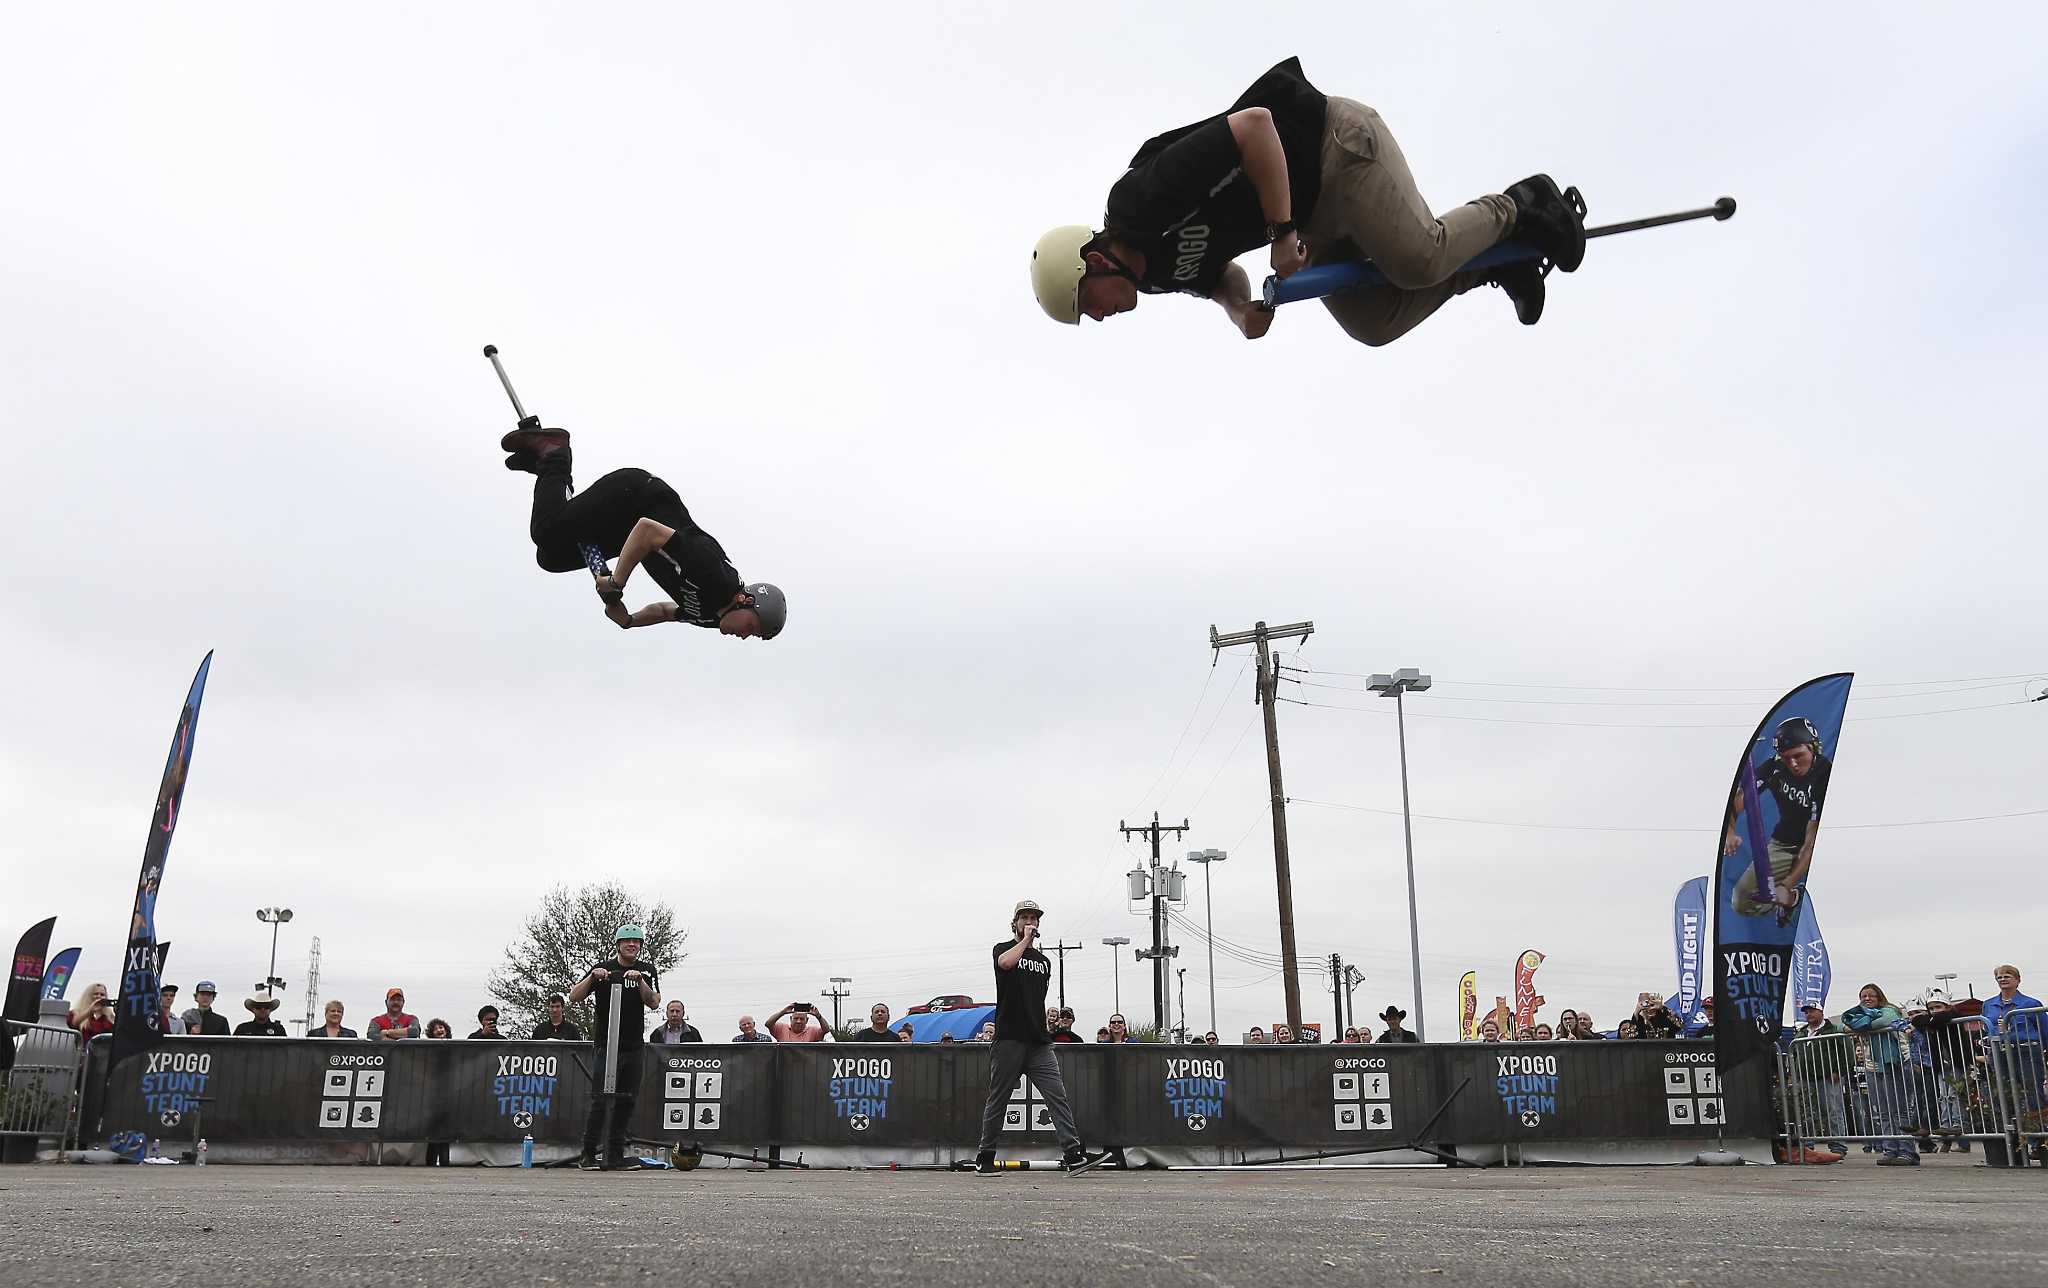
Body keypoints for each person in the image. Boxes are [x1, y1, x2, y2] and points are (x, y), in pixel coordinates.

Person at [1029, 57, 1585, 346]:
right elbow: (1216, 273)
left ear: (1095, 262)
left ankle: (1519, 205)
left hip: (1331, 147)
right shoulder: (1148, 277)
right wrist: (1238, 310)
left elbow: (1254, 127)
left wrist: (1281, 233)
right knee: (1373, 321)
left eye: (1087, 303)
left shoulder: (1138, 203)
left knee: (1416, 258)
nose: (1098, 316)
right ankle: (1502, 258)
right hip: (1310, 215)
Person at [499, 428, 786, 642]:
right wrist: (617, 581)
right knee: (547, 531)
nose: (745, 636)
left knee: (550, 557)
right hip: (634, 499)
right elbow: (649, 530)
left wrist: (631, 621)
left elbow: (664, 611)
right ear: (747, 602)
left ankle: (544, 467)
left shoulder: (712, 616)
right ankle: (554, 454)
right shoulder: (713, 572)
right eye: (752, 628)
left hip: (627, 529)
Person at [974, 900, 1106, 1176]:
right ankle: (985, 1157)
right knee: (998, 1099)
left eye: (1034, 918)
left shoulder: (1044, 962)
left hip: (1038, 1041)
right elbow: (1006, 963)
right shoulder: (1004, 949)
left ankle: (1072, 1153)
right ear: (1015, 923)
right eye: (1025, 918)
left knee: (1057, 1096)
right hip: (1009, 1038)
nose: (1030, 922)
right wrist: (1025, 940)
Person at [565, 924, 662, 1170]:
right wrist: (592, 977)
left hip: (633, 1046)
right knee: (599, 1099)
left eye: (637, 942)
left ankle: (615, 1155)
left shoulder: (646, 970)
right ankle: (587, 1154)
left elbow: (653, 1002)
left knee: (626, 1100)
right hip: (606, 1045)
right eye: (628, 941)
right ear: (618, 944)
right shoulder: (604, 968)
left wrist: (640, 981)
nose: (633, 945)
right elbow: (574, 996)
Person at [1724, 717, 1833, 920]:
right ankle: (1789, 902)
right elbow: (1739, 800)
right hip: (1783, 844)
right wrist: (1730, 831)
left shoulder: (1824, 775)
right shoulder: (1775, 766)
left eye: (1798, 756)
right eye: (1785, 757)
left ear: (1813, 748)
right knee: (1740, 900)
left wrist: (1787, 885)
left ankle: (1793, 897)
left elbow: (1810, 842)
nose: (1793, 763)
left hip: (1816, 844)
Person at [1841, 983, 1915, 1165]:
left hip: (1893, 1065)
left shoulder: (1889, 1010)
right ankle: (1890, 1150)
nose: (1867, 999)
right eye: (1863, 996)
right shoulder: (1862, 1015)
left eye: (1871, 995)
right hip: (1872, 1067)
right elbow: (1845, 1024)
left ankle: (1907, 1152)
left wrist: (1861, 1026)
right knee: (1882, 1112)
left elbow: (1885, 1021)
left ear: (1879, 996)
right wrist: (1859, 1025)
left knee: (1899, 1111)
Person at [1979, 963, 2045, 1143]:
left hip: (2026, 1051)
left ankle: (2038, 1140)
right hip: (2000, 1052)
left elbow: (2044, 1030)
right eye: (1999, 977)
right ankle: (2013, 1140)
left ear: (2017, 980)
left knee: (2032, 1093)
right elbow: (1986, 1029)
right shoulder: (1988, 1004)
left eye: (2007, 976)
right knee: (2005, 1093)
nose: (2003, 979)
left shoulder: (2030, 1003)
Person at [765, 1003, 829, 1042]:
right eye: (796, 1018)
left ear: (807, 1020)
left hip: (806, 1063)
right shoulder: (781, 1028)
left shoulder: (813, 1030)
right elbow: (768, 1024)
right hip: (785, 1062)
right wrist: (783, 1012)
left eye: (802, 1019)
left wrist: (818, 1016)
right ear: (790, 1019)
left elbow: (826, 1030)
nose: (798, 1021)